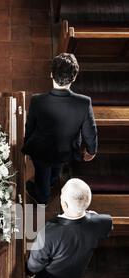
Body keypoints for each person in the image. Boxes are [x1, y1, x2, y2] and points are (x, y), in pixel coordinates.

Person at [22, 53, 98, 204]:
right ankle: (52, 179)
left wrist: (28, 144)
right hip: (66, 150)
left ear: (51, 74)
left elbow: (30, 127)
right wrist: (91, 150)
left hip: (41, 151)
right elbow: (90, 132)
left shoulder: (38, 101)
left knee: (42, 173)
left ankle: (42, 197)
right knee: (57, 167)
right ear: (74, 77)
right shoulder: (83, 103)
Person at [27, 178, 113, 278]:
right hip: (75, 271)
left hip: (51, 272)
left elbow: (36, 262)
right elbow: (107, 228)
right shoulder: (103, 221)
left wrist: (30, 270)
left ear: (64, 204)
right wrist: (92, 216)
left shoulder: (49, 233)